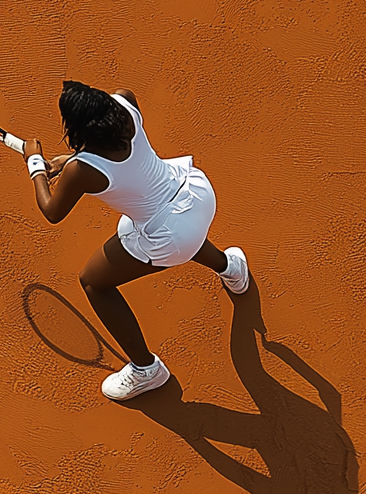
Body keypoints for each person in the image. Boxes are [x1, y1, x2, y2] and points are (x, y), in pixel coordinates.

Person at [27, 81, 249, 403]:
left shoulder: (82, 171)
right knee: (177, 236)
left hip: (171, 231)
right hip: (195, 194)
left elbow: (52, 211)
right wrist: (70, 161)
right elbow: (113, 159)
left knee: (93, 282)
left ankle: (146, 370)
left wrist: (35, 162)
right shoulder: (125, 102)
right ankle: (231, 269)